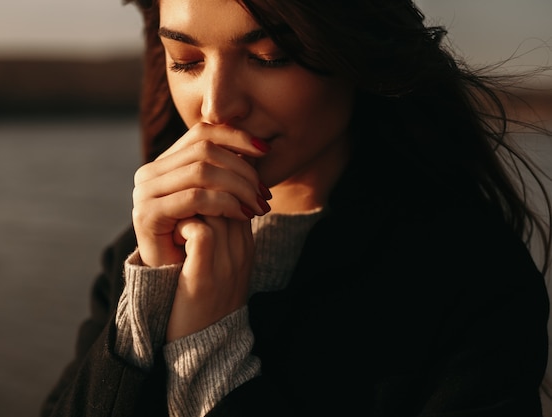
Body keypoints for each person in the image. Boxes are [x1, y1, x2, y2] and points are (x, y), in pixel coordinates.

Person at [40, 0, 552, 416]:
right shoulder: (138, 256)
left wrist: (211, 349)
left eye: (268, 57)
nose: (216, 106)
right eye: (187, 61)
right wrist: (152, 293)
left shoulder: (470, 276)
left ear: (354, 54)